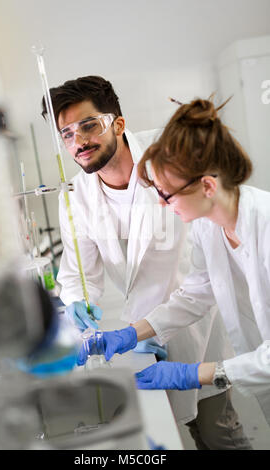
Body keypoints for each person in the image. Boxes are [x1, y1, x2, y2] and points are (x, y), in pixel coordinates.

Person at [42, 78, 250, 449]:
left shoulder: (167, 160)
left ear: (118, 124)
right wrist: (76, 301)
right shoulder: (76, 195)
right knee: (167, 431)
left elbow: (207, 266)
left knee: (219, 434)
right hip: (141, 337)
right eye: (67, 134)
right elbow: (78, 274)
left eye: (89, 125)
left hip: (199, 328)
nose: (80, 142)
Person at [82, 96, 270, 430]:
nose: (161, 203)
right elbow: (195, 293)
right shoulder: (209, 226)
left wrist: (196, 374)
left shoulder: (265, 225)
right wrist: (130, 333)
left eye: (167, 195)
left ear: (208, 186)